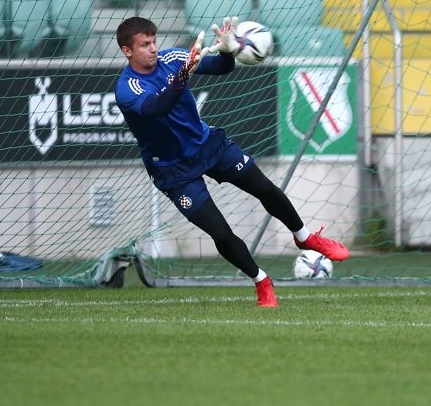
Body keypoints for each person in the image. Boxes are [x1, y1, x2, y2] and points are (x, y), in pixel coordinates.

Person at [114, 16, 349, 307]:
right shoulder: (127, 87)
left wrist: (227, 50)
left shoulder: (172, 57)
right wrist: (183, 76)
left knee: (265, 188)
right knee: (221, 232)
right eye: (144, 45)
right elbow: (155, 107)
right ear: (128, 51)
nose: (153, 49)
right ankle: (262, 281)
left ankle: (305, 237)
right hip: (172, 170)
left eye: (154, 41)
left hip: (207, 145)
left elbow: (222, 68)